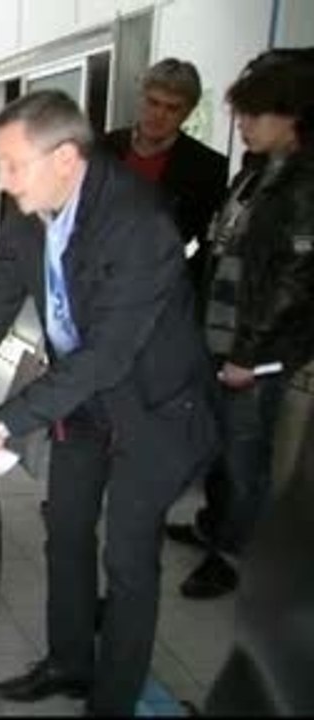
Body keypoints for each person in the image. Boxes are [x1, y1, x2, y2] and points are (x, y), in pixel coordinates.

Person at [0, 90, 218, 715]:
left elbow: (108, 357)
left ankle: (112, 702)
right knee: (64, 531)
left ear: (65, 158)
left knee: (128, 558)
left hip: (154, 407)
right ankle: (69, 662)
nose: (3, 181)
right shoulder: (31, 215)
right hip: (82, 401)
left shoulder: (140, 224)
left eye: (13, 165)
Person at [165, 48, 314, 600]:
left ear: (293, 117)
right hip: (222, 338)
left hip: (257, 353)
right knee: (220, 447)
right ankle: (215, 523)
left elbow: (294, 284)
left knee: (246, 458)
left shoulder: (303, 185)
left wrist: (249, 354)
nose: (242, 123)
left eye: (254, 113)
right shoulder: (254, 172)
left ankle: (229, 555)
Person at [100, 57, 228, 318]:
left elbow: (208, 246)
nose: (158, 115)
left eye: (172, 108)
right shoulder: (103, 148)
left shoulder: (208, 167)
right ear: (140, 98)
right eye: (153, 102)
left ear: (188, 112)